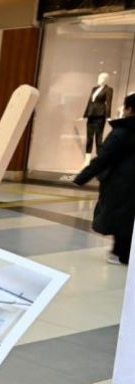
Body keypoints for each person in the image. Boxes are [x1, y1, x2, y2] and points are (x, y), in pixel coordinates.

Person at [75, 92, 135, 265]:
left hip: (122, 182)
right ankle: (125, 253)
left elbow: (104, 158)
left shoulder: (123, 131)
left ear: (129, 109)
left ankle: (121, 253)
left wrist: (81, 177)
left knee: (121, 216)